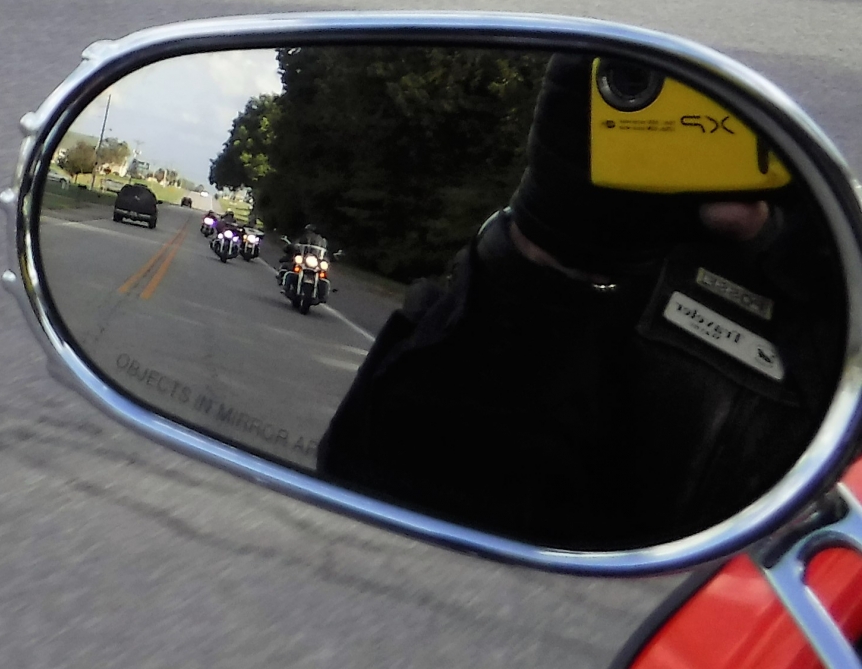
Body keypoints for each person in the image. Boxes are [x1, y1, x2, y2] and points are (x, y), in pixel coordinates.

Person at [317, 53, 845, 551]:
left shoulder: (824, 290)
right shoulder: (587, 306)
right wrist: (538, 264)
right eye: (631, 85)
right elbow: (397, 487)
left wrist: (819, 287)